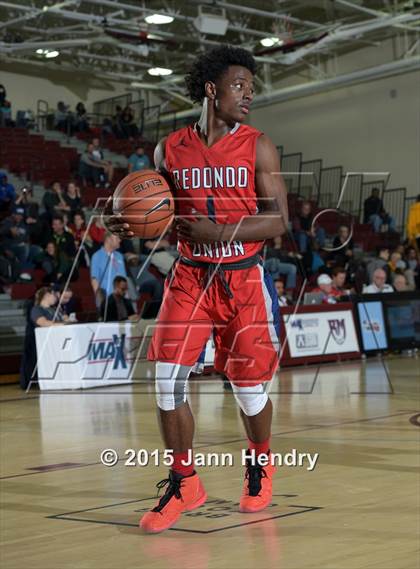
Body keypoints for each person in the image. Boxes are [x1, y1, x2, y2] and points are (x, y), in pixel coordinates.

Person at [106, 45, 288, 533]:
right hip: (189, 276)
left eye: (252, 87)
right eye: (239, 85)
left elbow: (279, 221)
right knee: (167, 380)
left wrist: (221, 232)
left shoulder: (259, 145)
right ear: (212, 90)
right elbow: (155, 204)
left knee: (249, 390)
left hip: (243, 276)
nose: (248, 94)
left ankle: (261, 461)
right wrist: (126, 221)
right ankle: (185, 481)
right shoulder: (169, 148)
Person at [90, 232, 127, 307]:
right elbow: (94, 280)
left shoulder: (119, 256)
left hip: (122, 299)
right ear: (108, 239)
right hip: (107, 300)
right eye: (117, 238)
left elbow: (124, 278)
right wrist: (101, 301)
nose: (120, 240)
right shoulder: (97, 256)